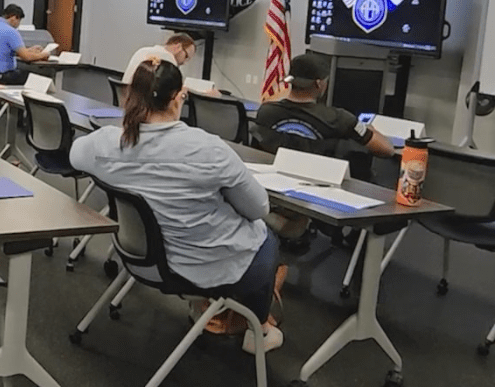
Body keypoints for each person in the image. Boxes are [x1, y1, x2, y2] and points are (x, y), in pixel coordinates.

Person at [70, 57, 283, 353]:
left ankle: (214, 311)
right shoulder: (209, 148)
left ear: (131, 95)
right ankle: (258, 328)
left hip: (137, 258)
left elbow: (74, 155)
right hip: (197, 269)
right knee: (265, 236)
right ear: (177, 97)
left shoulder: (107, 143)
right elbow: (259, 208)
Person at [253, 54, 394, 158]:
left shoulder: (266, 111)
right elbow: (387, 150)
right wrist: (368, 129)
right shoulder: (339, 119)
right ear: (319, 84)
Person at [0, 4, 49, 84]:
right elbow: (27, 57)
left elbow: (2, 50)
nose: (18, 24)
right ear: (14, 17)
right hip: (2, 75)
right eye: (19, 20)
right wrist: (44, 54)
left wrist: (28, 50)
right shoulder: (11, 31)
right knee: (37, 76)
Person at [120, 34, 196, 84]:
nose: (185, 62)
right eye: (186, 56)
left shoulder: (142, 50)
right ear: (178, 47)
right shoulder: (169, 61)